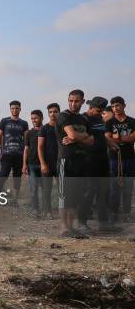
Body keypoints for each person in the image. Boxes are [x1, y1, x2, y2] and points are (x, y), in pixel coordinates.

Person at [57, 89, 93, 238]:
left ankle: (71, 227)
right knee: (64, 195)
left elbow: (92, 141)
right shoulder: (63, 115)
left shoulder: (84, 120)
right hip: (66, 160)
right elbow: (71, 134)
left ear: (83, 101)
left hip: (82, 161)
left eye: (76, 101)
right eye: (70, 100)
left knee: (75, 195)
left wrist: (78, 137)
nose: (73, 103)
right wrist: (81, 136)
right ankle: (63, 227)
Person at [83, 97, 121, 233]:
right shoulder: (83, 119)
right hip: (89, 160)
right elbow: (80, 137)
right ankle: (82, 223)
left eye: (102, 111)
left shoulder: (99, 118)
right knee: (88, 192)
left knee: (104, 192)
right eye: (98, 110)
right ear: (91, 107)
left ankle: (103, 224)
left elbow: (102, 136)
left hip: (102, 159)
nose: (100, 113)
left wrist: (112, 144)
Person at [105, 96, 134, 223]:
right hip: (114, 158)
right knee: (114, 188)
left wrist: (117, 138)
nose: (115, 108)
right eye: (113, 106)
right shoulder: (109, 123)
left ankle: (127, 213)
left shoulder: (133, 121)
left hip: (130, 158)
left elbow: (133, 139)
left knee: (128, 187)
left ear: (124, 105)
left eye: (117, 105)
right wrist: (126, 137)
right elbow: (108, 139)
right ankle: (113, 214)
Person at [0, 100, 29, 205]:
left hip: (19, 155)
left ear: (20, 109)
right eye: (13, 108)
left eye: (17, 108)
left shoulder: (24, 123)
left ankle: (15, 200)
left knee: (17, 178)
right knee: (2, 176)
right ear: (10, 109)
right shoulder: (4, 121)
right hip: (6, 154)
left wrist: (25, 157)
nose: (15, 110)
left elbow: (26, 140)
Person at [37, 103, 60, 220]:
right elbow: (40, 147)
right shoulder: (44, 128)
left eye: (55, 111)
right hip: (47, 164)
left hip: (61, 163)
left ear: (59, 113)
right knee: (47, 190)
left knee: (63, 189)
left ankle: (63, 212)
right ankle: (48, 212)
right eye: (50, 112)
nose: (53, 114)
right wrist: (42, 164)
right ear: (48, 114)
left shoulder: (63, 128)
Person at [23, 110, 43, 218]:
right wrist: (24, 165)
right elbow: (26, 149)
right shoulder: (28, 133)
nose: (34, 120)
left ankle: (46, 210)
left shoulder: (46, 130)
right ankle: (35, 210)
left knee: (45, 189)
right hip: (32, 164)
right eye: (32, 118)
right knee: (33, 189)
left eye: (36, 118)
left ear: (41, 118)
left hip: (44, 164)